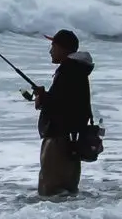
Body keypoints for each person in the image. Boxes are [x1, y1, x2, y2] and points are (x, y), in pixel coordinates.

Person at [31, 30, 96, 197]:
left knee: (50, 192)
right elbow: (68, 102)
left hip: (59, 139)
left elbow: (59, 105)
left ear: (63, 48)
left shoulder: (69, 70)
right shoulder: (77, 70)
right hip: (72, 139)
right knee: (68, 191)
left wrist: (42, 99)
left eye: (53, 46)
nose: (50, 50)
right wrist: (45, 96)